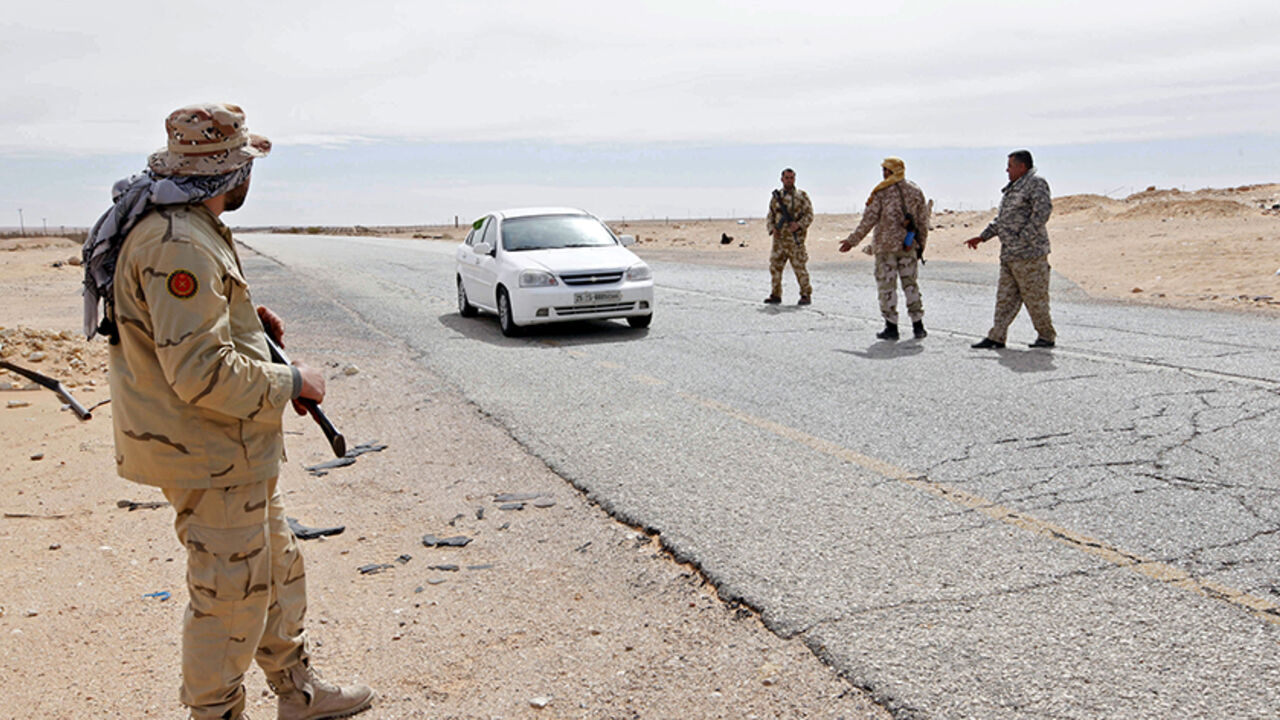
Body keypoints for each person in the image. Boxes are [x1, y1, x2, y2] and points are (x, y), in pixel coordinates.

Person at [82, 103, 374, 720]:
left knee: (276, 567)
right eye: (245, 165)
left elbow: (189, 337)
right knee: (230, 597)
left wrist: (246, 326)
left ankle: (297, 693)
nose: (249, 177)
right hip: (207, 452)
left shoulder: (186, 225)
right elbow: (200, 373)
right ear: (229, 172)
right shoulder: (178, 242)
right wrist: (294, 378)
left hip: (232, 449)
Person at [964, 150, 1057, 349]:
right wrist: (983, 236)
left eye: (1010, 166)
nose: (1007, 170)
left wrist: (1022, 240)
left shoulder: (1036, 183)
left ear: (1022, 167)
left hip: (1030, 254)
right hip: (1009, 255)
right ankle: (997, 336)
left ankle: (1046, 336)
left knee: (1035, 298)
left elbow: (1042, 214)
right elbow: (1004, 220)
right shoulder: (1013, 189)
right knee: (1004, 298)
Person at [839, 157, 931, 340]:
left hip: (886, 248)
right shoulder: (916, 191)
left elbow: (869, 220)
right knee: (910, 285)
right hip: (908, 246)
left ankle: (891, 327)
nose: (884, 173)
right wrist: (921, 245)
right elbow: (923, 221)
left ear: (892, 171)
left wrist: (852, 241)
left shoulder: (881, 192)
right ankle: (918, 325)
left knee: (887, 287)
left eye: (886, 170)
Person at [764, 168, 814, 305]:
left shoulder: (801, 196)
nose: (789, 180)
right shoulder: (776, 197)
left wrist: (798, 225)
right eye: (787, 177)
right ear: (782, 179)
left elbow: (809, 215)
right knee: (775, 267)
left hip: (794, 239)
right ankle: (775, 294)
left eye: (791, 177)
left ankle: (805, 294)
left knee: (799, 268)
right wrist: (772, 228)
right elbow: (770, 216)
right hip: (779, 239)